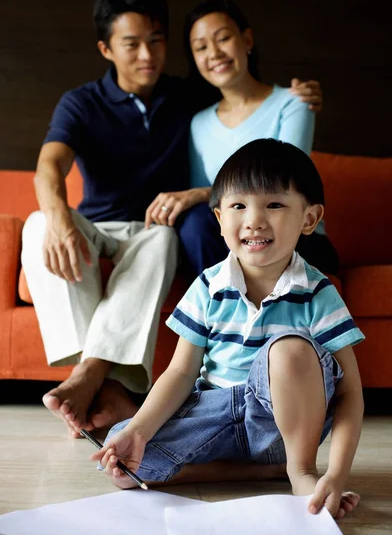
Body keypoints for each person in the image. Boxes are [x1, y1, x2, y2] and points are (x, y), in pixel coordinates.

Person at [21, 0, 322, 439]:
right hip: (95, 224)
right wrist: (60, 221)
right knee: (39, 221)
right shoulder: (81, 102)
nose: (147, 55)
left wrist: (299, 94)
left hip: (151, 228)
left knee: (162, 237)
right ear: (106, 49)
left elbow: (242, 97)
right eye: (132, 44)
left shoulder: (186, 97)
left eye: (156, 41)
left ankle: (93, 384)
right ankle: (96, 378)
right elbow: (48, 166)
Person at [92, 139, 363, 520]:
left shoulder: (318, 293)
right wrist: (139, 429)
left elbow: (350, 390)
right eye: (238, 206)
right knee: (123, 453)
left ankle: (298, 472)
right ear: (219, 219)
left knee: (288, 348)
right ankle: (259, 473)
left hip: (280, 429)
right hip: (216, 416)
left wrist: (335, 473)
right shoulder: (207, 286)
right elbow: (182, 372)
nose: (253, 219)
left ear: (309, 219)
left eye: (274, 204)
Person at [145, 0, 338, 277]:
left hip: (296, 239)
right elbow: (211, 211)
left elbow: (284, 182)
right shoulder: (199, 123)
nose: (214, 53)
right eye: (200, 47)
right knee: (197, 223)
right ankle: (220, 313)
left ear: (247, 40)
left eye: (223, 38)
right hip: (237, 242)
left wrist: (201, 193)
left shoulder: (293, 102)